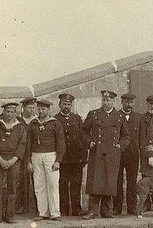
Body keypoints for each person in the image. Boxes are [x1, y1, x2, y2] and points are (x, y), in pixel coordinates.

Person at [82, 90, 131, 219]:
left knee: (109, 181)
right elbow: (83, 132)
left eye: (108, 100)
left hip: (112, 153)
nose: (105, 103)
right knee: (95, 181)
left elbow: (126, 136)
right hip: (97, 152)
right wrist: (89, 142)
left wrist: (120, 146)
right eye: (104, 100)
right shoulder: (93, 114)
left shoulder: (119, 117)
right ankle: (92, 211)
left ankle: (106, 210)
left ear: (113, 101)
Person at [27, 99, 65, 221]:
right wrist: (28, 160)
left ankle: (55, 213)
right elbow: (28, 143)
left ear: (48, 110)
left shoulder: (55, 123)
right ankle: (43, 212)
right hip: (36, 155)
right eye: (39, 109)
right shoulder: (33, 124)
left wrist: (58, 160)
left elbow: (61, 144)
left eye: (43, 109)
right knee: (39, 185)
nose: (41, 111)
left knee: (53, 184)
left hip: (51, 156)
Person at [0, 102, 27, 224]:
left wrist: (13, 160)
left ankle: (10, 215)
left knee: (12, 188)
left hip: (14, 160)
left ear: (15, 113)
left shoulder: (20, 127)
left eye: (12, 112)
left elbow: (22, 144)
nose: (9, 114)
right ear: (3, 112)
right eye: (7, 112)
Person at [54, 93, 89, 217]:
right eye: (64, 104)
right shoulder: (55, 119)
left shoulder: (77, 118)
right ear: (59, 105)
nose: (66, 106)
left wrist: (84, 156)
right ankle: (63, 209)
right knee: (63, 183)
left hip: (77, 158)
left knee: (76, 183)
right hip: (63, 158)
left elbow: (82, 137)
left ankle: (76, 209)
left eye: (68, 104)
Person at [115, 92, 142, 215]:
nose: (129, 105)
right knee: (117, 180)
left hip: (133, 154)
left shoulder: (138, 117)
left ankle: (132, 207)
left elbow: (142, 136)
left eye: (131, 102)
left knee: (132, 181)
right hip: (118, 153)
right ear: (122, 103)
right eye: (126, 102)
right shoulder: (116, 115)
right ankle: (117, 207)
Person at [139, 94, 153, 212]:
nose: (152, 106)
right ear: (147, 104)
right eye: (150, 104)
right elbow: (141, 136)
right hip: (145, 152)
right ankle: (146, 204)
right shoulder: (142, 119)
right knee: (146, 179)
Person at [16, 97, 38, 214]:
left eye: (33, 108)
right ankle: (22, 206)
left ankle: (37, 206)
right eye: (29, 108)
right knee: (22, 180)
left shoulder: (37, 121)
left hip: (35, 154)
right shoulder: (19, 121)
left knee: (37, 180)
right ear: (23, 108)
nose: (31, 110)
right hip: (22, 155)